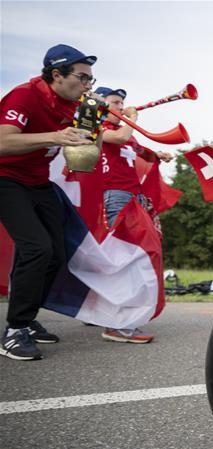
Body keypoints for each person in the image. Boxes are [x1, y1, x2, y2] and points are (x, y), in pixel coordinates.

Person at [0, 44, 98, 360]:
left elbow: (83, 146)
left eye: (91, 81)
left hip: (38, 183)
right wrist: (54, 136)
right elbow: (2, 141)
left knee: (57, 254)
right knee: (36, 248)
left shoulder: (76, 104)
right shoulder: (24, 95)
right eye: (82, 78)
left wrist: (93, 122)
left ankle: (27, 320)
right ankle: (14, 331)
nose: (87, 86)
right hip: (6, 179)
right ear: (57, 74)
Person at [94, 86, 174, 344]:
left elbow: (137, 151)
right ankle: (114, 324)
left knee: (139, 256)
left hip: (133, 198)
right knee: (123, 258)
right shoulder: (97, 126)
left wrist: (157, 154)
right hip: (114, 196)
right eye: (115, 102)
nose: (121, 106)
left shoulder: (127, 135)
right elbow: (117, 140)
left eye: (122, 102)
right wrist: (133, 119)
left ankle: (116, 316)